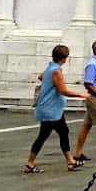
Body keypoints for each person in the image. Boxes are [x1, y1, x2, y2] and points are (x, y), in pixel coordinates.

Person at [24, 45, 86, 173]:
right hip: (51, 109)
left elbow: (41, 77)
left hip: (52, 108)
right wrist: (81, 95)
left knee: (63, 132)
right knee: (44, 135)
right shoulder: (56, 71)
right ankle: (30, 163)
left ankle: (70, 161)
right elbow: (63, 90)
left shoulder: (50, 67)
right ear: (64, 58)